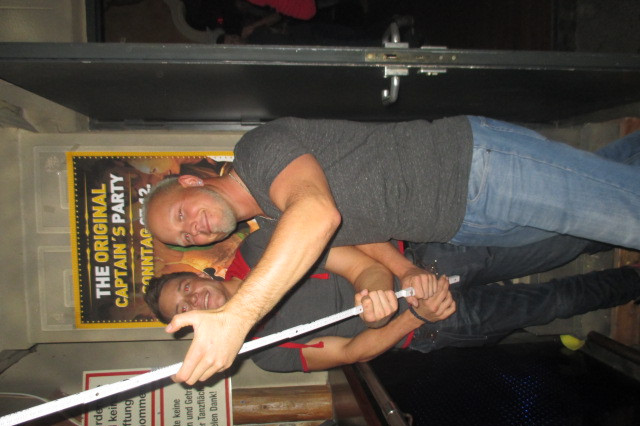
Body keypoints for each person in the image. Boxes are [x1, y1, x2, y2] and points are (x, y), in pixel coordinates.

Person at [143, 118, 640, 383]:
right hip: (454, 227)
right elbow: (357, 297)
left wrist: (238, 319)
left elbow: (321, 216)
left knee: (611, 211)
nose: (193, 230)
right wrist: (405, 301)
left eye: (182, 215)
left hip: (468, 176)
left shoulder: (257, 159)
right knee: (584, 217)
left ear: (191, 182)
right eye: (183, 237)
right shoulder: (272, 219)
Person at [145, 230, 640, 373]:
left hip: (422, 262)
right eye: (182, 309)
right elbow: (351, 351)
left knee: (547, 246)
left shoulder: (258, 251)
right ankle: (632, 282)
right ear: (190, 325)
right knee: (549, 304)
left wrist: (402, 280)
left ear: (198, 273)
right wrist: (414, 316)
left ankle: (619, 226)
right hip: (428, 326)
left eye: (185, 288)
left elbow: (355, 262)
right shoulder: (265, 355)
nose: (192, 298)